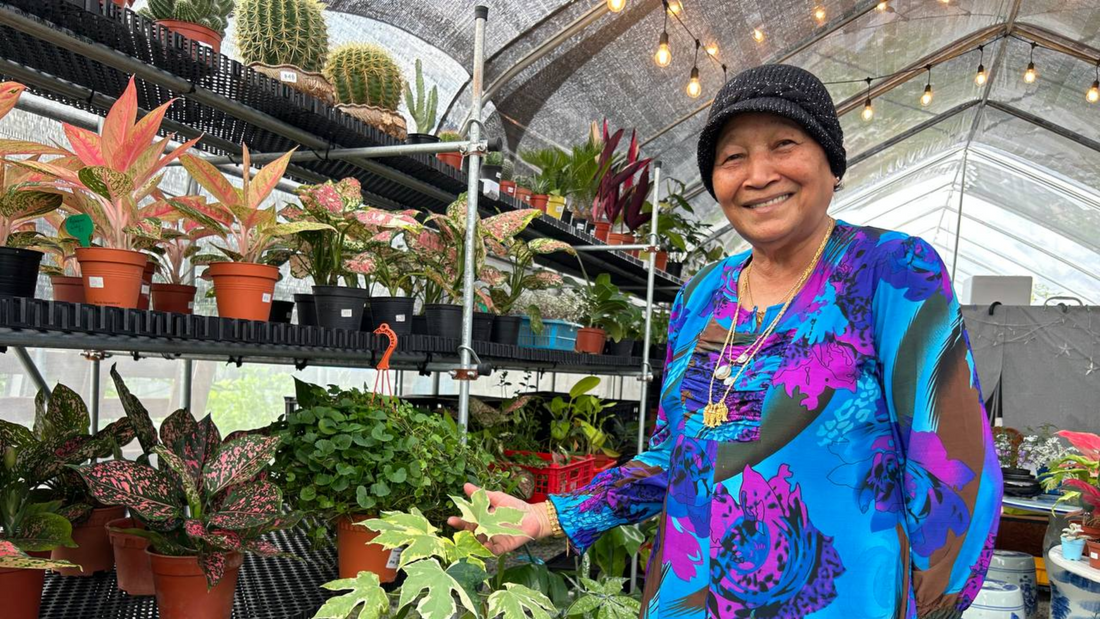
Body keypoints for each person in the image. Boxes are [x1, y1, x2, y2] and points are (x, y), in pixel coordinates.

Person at [449, 64, 1002, 619]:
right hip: (688, 598)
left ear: (832, 163)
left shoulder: (889, 272)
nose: (758, 174)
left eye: (784, 144)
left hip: (839, 601)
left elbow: (956, 468)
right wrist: (544, 517)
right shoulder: (703, 297)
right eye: (732, 157)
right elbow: (677, 454)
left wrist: (930, 609)